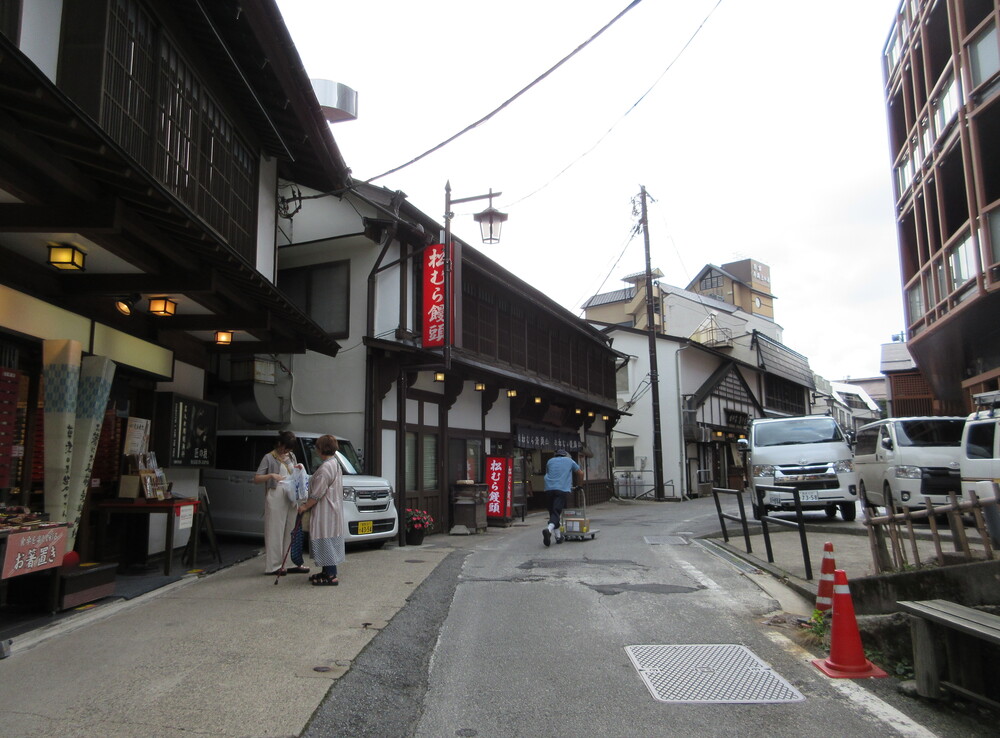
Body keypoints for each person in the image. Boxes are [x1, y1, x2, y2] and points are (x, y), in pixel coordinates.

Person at [253, 430, 309, 576]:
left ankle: (290, 562)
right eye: (285, 447)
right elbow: (257, 478)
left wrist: (299, 469)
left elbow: (294, 474)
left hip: (291, 494)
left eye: (289, 448)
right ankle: (274, 565)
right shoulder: (269, 457)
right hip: (276, 492)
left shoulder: (291, 456)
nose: (287, 451)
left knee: (291, 528)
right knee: (274, 530)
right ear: (279, 443)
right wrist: (271, 475)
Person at [298, 434, 346, 586]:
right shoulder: (335, 463)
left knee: (325, 539)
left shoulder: (325, 468)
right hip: (333, 508)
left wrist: (305, 506)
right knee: (329, 539)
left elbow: (317, 493)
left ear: (321, 449)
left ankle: (331, 575)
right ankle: (327, 571)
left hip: (326, 510)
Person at [542, 448, 583, 547]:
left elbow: (548, 472)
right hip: (561, 489)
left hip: (548, 489)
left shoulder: (550, 461)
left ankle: (558, 537)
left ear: (556, 455)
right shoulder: (569, 460)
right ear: (564, 455)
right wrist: (579, 486)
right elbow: (580, 473)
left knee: (553, 513)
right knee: (556, 512)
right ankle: (549, 529)